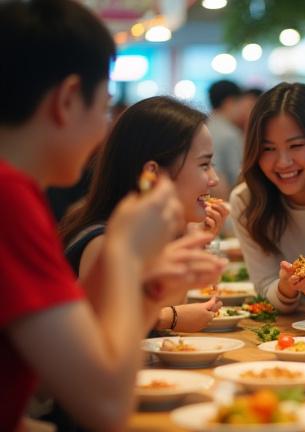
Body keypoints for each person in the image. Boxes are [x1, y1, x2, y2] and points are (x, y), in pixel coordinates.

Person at [0, 0, 217, 432]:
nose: (104, 130)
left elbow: (51, 368)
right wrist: (123, 253)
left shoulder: (20, 194)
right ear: (66, 100)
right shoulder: (9, 200)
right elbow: (107, 408)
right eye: (103, 107)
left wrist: (146, 285)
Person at [60, 95, 229, 333]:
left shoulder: (151, 234)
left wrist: (193, 240)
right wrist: (168, 318)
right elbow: (96, 332)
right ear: (153, 173)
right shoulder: (104, 242)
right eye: (204, 165)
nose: (214, 179)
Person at [230, 82, 305, 314]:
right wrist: (286, 287)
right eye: (268, 149)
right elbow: (265, 285)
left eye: (296, 145)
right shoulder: (246, 201)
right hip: (298, 325)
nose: (283, 162)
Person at [206, 79, 244, 200]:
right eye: (240, 104)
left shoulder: (203, 126)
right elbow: (236, 177)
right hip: (223, 199)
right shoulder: (230, 134)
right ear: (229, 102)